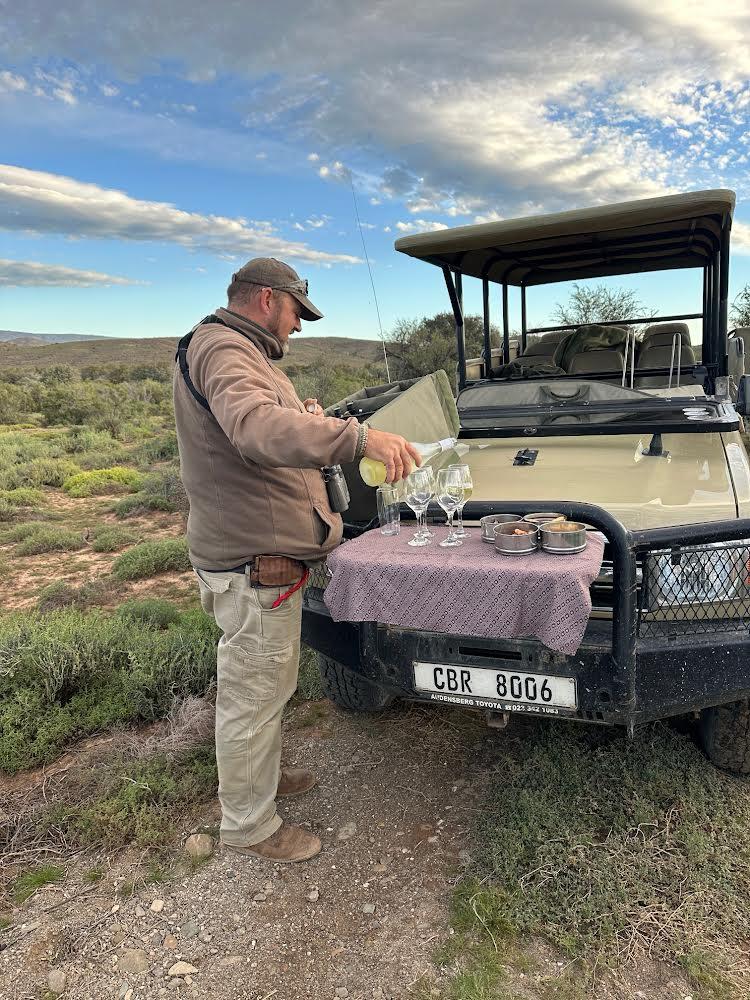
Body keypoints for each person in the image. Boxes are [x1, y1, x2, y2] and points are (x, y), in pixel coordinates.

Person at [173, 257, 419, 863]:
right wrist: (356, 437)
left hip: (262, 557)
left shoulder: (238, 351)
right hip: (255, 564)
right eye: (296, 311)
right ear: (264, 298)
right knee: (253, 693)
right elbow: (254, 429)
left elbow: (261, 427)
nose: (301, 326)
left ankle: (259, 777)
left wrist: (307, 421)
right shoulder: (226, 351)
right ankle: (250, 825)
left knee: (267, 684)